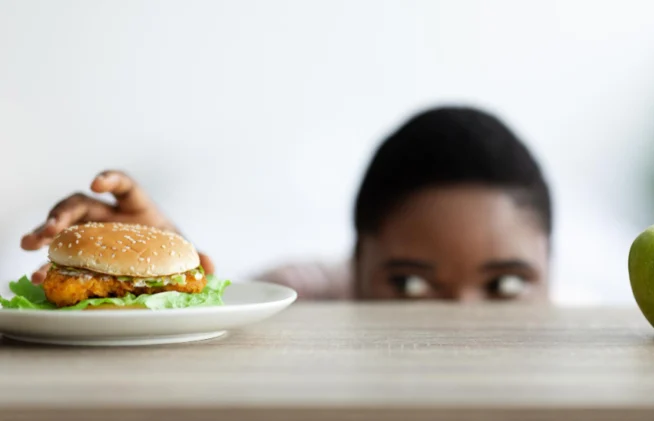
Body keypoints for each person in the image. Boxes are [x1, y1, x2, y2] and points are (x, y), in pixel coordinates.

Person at [21, 106, 552, 301]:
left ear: (552, 268)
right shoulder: (299, 292)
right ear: (355, 262)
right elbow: (222, 323)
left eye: (506, 287)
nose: (462, 327)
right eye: (410, 287)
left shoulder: (587, 316)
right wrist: (165, 258)